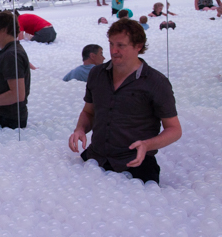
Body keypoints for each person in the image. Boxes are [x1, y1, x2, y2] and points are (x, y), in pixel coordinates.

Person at [68, 19, 182, 184]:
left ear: (138, 46)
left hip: (135, 165)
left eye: (121, 45)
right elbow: (89, 112)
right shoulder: (96, 74)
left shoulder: (156, 82)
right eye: (111, 44)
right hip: (95, 159)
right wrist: (80, 129)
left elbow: (174, 129)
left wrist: (147, 145)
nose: (114, 51)